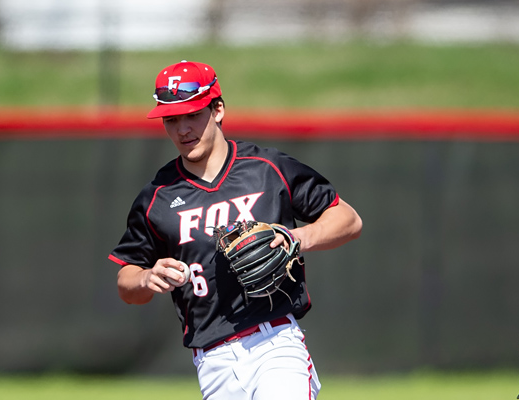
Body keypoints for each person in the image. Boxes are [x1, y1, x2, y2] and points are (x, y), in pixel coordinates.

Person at [108, 60, 362, 400]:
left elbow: (348, 220)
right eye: (172, 119)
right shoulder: (157, 197)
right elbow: (127, 282)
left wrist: (297, 237)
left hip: (275, 343)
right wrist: (144, 278)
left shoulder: (267, 169)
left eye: (192, 114)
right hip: (212, 362)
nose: (183, 129)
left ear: (217, 109)